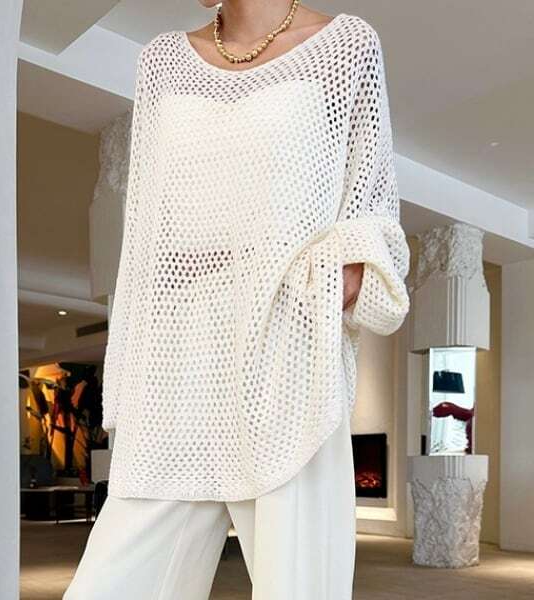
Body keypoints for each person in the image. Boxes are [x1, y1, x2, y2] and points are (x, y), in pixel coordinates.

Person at [63, 1, 410, 598]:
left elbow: (372, 206)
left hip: (287, 352)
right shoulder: (162, 60)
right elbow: (144, 232)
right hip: (178, 357)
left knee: (298, 588)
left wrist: (340, 279)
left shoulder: (347, 45)